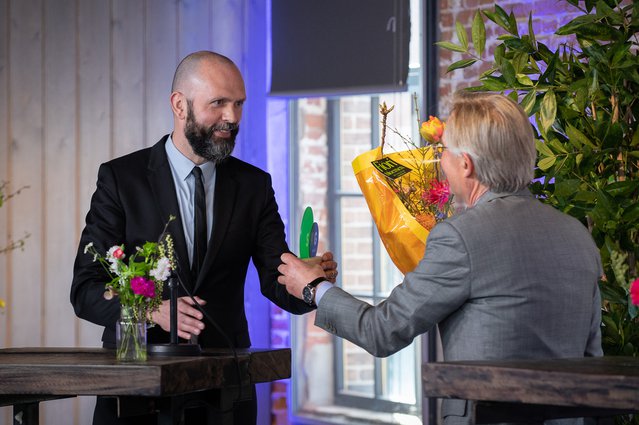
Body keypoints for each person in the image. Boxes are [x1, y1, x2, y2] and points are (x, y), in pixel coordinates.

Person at [277, 92, 602, 425]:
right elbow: (593, 361)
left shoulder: (461, 237)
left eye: (443, 150)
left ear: (466, 164)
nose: (439, 160)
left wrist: (314, 287)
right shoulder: (576, 234)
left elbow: (382, 330)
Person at [71, 50, 337, 425]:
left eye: (239, 104)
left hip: (226, 388)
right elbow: (85, 289)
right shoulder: (120, 180)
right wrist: (151, 311)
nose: (232, 117)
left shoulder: (254, 186)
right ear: (180, 105)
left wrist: (309, 283)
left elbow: (276, 283)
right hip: (137, 387)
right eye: (219, 103)